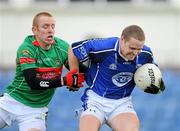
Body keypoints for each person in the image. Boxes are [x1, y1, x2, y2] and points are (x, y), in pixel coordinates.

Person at [68, 25, 165, 131]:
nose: (135, 53)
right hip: (95, 100)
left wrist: (157, 84)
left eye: (139, 49)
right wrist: (74, 75)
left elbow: (152, 69)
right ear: (122, 39)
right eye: (132, 48)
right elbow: (74, 49)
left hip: (122, 103)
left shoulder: (146, 54)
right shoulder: (103, 47)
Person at [0, 12, 84, 131]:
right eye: (45, 26)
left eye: (53, 26)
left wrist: (77, 78)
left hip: (35, 110)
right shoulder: (27, 48)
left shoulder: (62, 48)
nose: (50, 30)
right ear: (35, 30)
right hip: (11, 102)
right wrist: (65, 81)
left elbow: (80, 70)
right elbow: (33, 82)